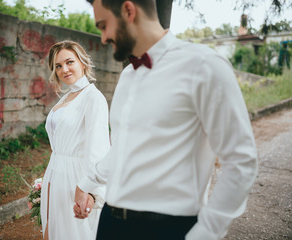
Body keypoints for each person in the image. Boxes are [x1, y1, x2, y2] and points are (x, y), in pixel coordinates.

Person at [74, 0, 258, 240]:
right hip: (111, 222)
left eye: (103, 25)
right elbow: (124, 149)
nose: (103, 38)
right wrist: (86, 182)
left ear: (129, 11)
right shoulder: (128, 75)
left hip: (168, 228)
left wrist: (206, 232)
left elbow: (241, 160)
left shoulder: (204, 65)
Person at [41, 40, 110, 240]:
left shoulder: (93, 98)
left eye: (70, 62)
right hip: (55, 174)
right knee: (50, 232)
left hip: (76, 179)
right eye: (58, 66)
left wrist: (90, 191)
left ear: (83, 63)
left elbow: (98, 148)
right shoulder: (67, 97)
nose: (64, 69)